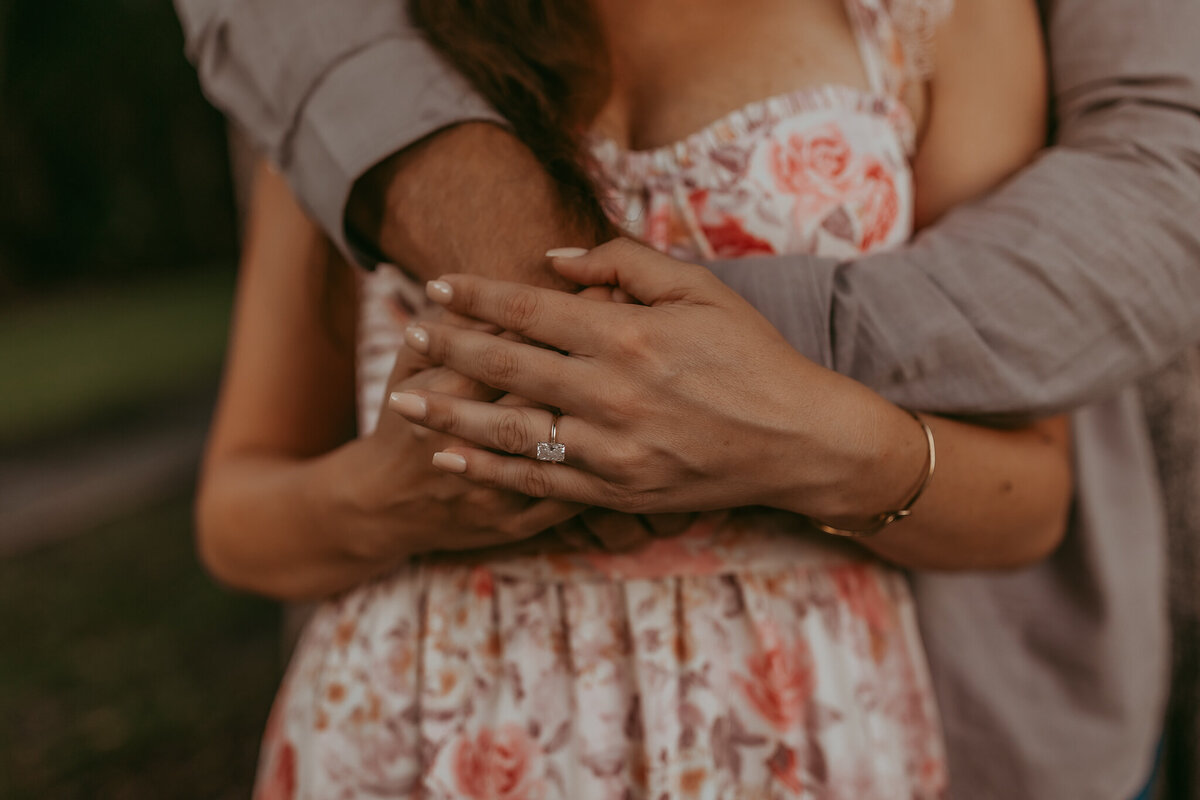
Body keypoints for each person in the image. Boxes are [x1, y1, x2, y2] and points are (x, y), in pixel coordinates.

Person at [174, 0, 1200, 798]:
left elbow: (1030, 495)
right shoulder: (369, 45)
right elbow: (237, 515)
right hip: (418, 729)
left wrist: (796, 440)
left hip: (791, 734)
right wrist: (390, 496)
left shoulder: (932, 21)